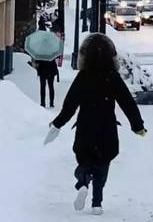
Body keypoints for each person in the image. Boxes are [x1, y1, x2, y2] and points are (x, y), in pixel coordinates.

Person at [44, 34, 147, 215]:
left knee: (84, 161)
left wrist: (58, 123)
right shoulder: (113, 77)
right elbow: (127, 103)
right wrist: (137, 126)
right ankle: (97, 203)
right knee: (103, 164)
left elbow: (70, 105)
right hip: (107, 128)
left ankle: (83, 181)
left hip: (85, 127)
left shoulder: (83, 77)